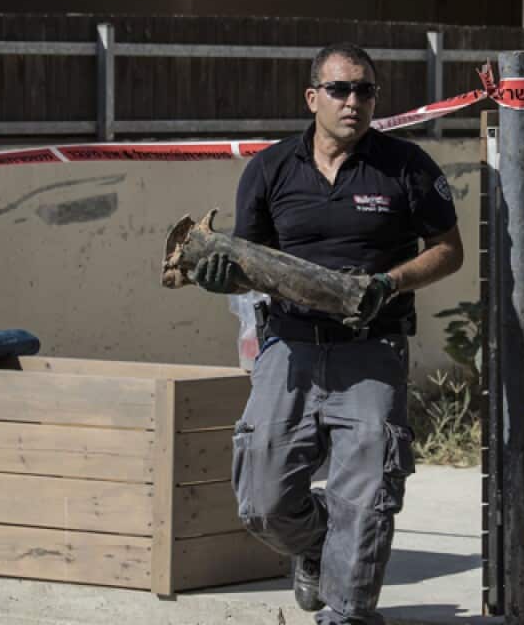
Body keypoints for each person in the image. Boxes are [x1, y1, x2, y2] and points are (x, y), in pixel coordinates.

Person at [191, 43, 464, 624]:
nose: (354, 101)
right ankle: (316, 545)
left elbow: (448, 252)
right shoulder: (269, 169)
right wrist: (222, 277)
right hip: (287, 349)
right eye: (340, 89)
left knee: (366, 503)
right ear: (312, 97)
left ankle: (346, 613)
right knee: (262, 503)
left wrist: (389, 284)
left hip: (371, 351)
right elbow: (254, 264)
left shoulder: (406, 166)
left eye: (366, 90)